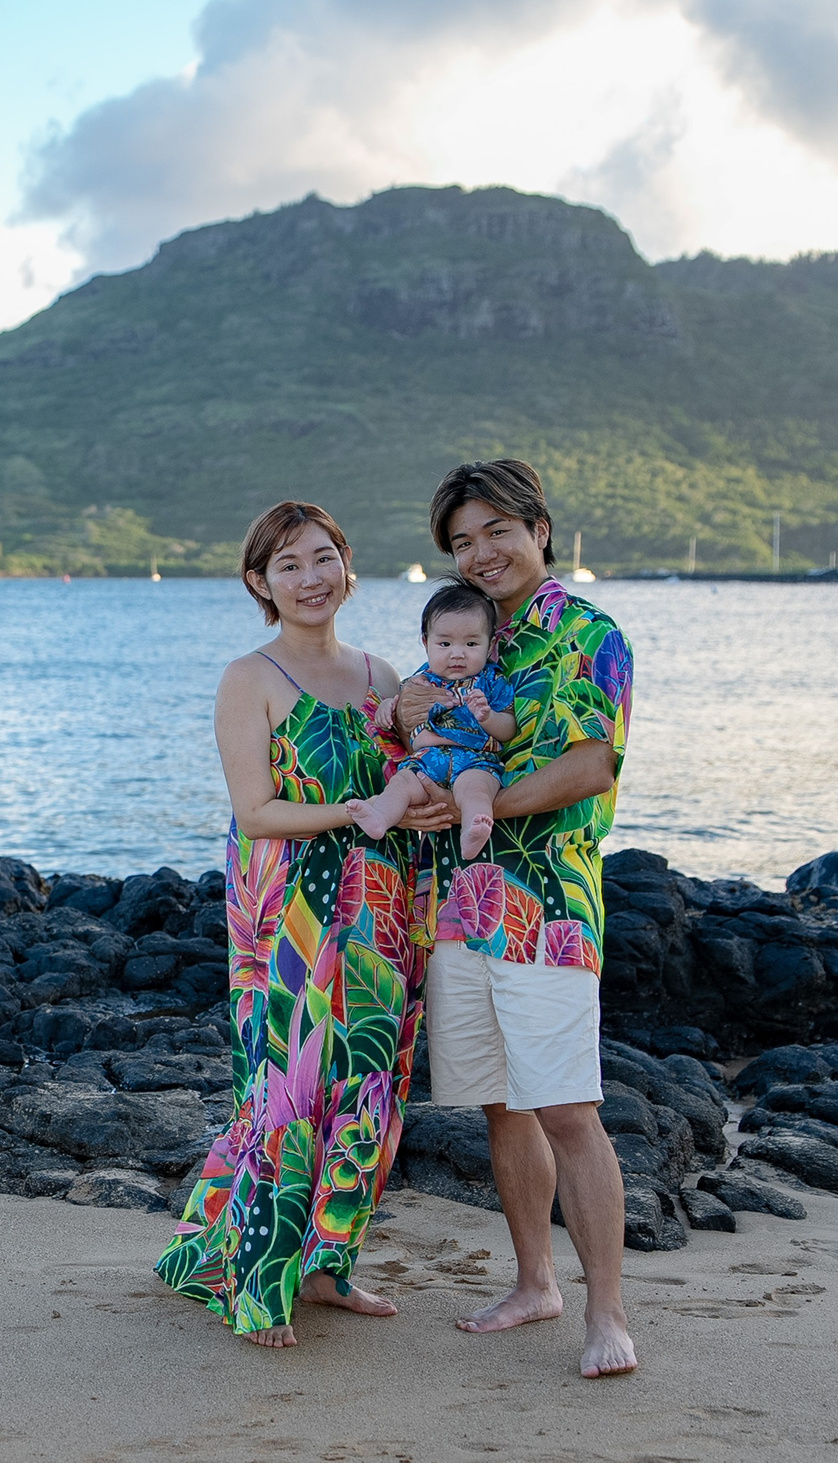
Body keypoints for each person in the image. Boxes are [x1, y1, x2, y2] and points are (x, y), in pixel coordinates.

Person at [155, 500, 456, 1348]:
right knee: (286, 1090)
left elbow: (421, 774)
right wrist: (354, 811)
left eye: (324, 557)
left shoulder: (387, 676)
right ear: (261, 582)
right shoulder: (249, 678)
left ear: (348, 566)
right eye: (289, 564)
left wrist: (428, 805)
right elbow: (255, 812)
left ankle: (325, 1267)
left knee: (368, 1089)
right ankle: (254, 1279)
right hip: (286, 914)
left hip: (384, 914)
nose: (311, 577)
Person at [379, 458, 639, 1379]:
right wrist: (403, 709)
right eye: (461, 541)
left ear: (539, 528)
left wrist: (477, 808)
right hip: (462, 908)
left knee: (567, 1105)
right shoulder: (469, 637)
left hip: (550, 908)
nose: (480, 552)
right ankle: (535, 1282)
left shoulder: (585, 634)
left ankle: (607, 1313)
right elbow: (416, 741)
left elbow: (591, 766)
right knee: (501, 1102)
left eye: (496, 531)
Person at [344, 580, 517, 861]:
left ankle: (474, 829)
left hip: (475, 760)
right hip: (427, 760)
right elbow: (399, 708)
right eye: (445, 643)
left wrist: (488, 717)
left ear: (490, 645)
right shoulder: (420, 680)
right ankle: (380, 817)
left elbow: (508, 730)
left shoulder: (491, 681)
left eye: (471, 643)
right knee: (401, 784)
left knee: (475, 791)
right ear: (426, 643)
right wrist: (388, 708)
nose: (457, 653)